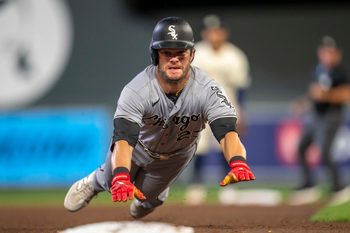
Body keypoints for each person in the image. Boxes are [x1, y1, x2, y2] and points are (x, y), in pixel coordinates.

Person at [63, 16, 255, 219]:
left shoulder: (209, 89)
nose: (174, 59)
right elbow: (124, 139)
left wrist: (237, 161)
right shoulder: (137, 90)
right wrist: (120, 175)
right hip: (138, 147)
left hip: (175, 155)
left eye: (180, 52)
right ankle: (94, 182)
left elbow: (227, 132)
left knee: (147, 199)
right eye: (166, 53)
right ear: (155, 55)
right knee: (113, 181)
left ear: (191, 55)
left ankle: (155, 196)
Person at [185, 14, 251, 205]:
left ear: (224, 33)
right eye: (209, 31)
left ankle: (229, 186)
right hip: (200, 105)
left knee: (228, 146)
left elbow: (241, 87)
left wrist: (242, 112)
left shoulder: (235, 55)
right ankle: (196, 186)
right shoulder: (196, 52)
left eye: (217, 30)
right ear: (205, 33)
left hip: (227, 106)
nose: (213, 34)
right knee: (199, 147)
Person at [288, 36, 350, 206]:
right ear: (320, 53)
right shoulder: (319, 69)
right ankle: (309, 186)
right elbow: (313, 93)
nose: (327, 55)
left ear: (337, 54)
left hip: (331, 116)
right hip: (315, 116)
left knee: (325, 152)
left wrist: (326, 95)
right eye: (324, 52)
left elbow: (346, 94)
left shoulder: (340, 71)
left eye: (331, 52)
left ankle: (340, 188)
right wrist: (303, 102)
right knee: (302, 147)